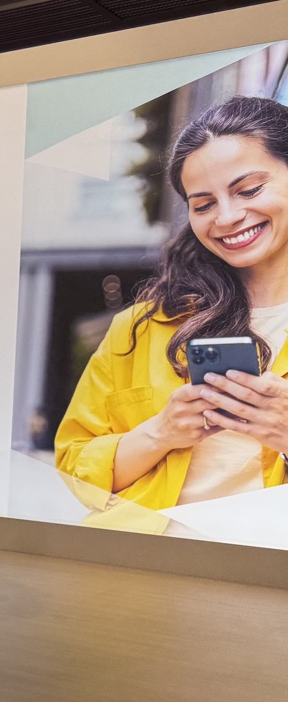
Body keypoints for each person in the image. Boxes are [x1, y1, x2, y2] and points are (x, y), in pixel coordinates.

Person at [56, 95, 288, 509]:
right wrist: (160, 432)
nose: (226, 217)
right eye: (204, 204)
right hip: (149, 545)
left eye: (249, 190)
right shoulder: (142, 326)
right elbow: (76, 468)